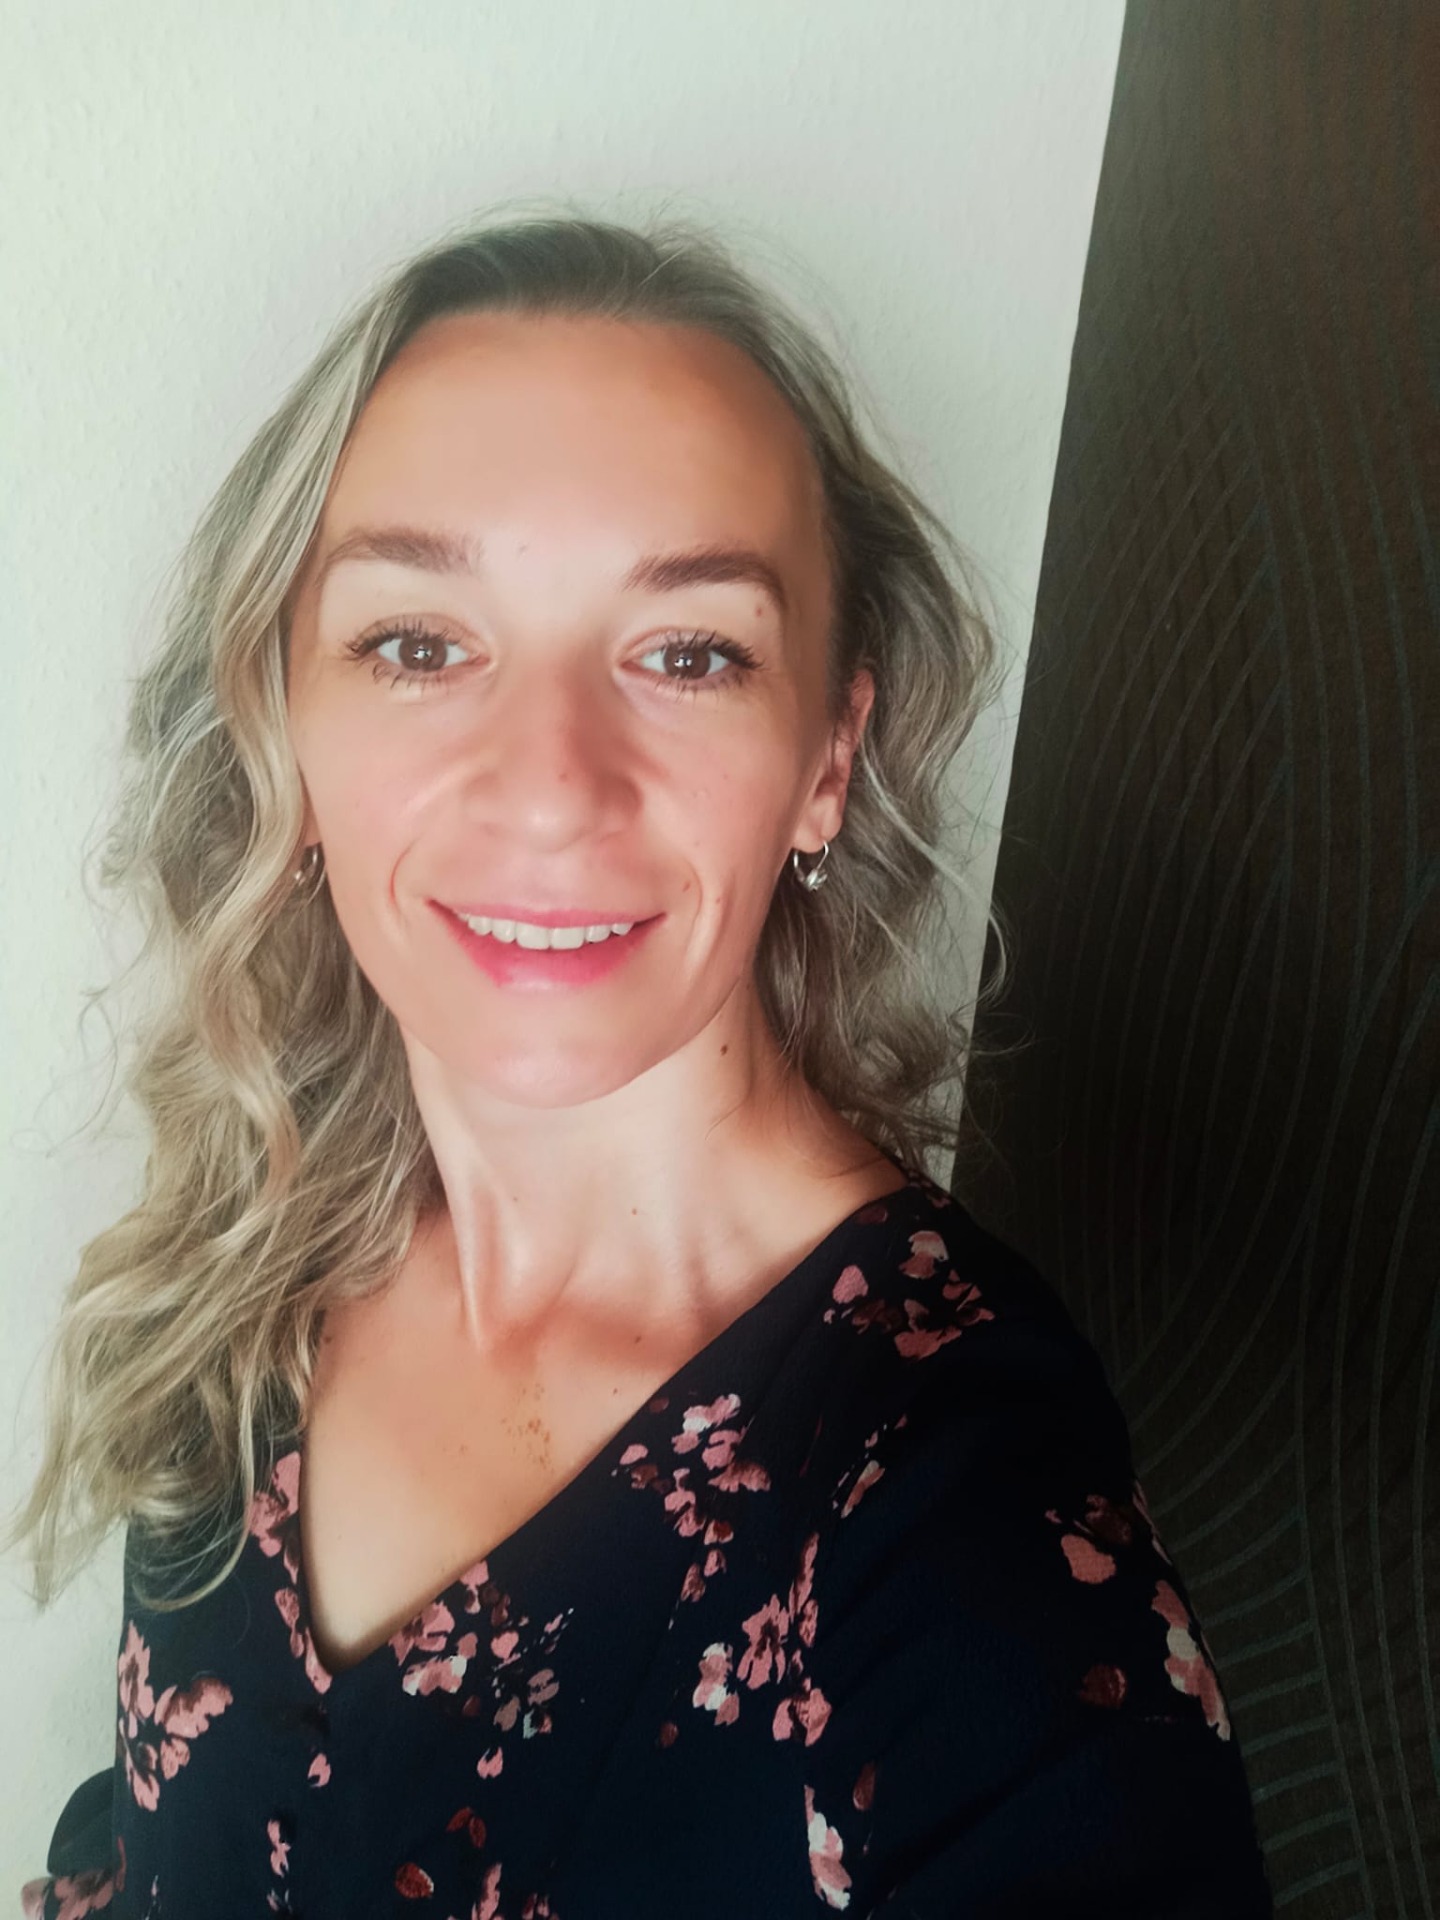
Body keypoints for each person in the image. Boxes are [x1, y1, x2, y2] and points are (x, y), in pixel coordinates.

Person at [11, 209, 1273, 1918]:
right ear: (282, 727)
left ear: (827, 761)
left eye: (690, 653)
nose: (552, 786)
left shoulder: (952, 1508)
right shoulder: (263, 1236)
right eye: (418, 643)